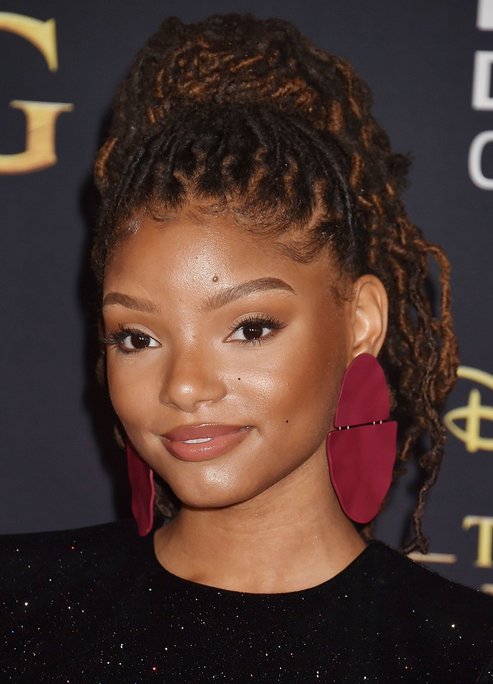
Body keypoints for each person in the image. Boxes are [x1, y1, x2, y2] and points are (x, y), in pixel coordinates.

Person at [2, 14, 493, 682]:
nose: (184, 385)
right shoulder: (20, 604)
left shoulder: (461, 656)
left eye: (250, 328)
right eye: (138, 337)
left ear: (361, 322)